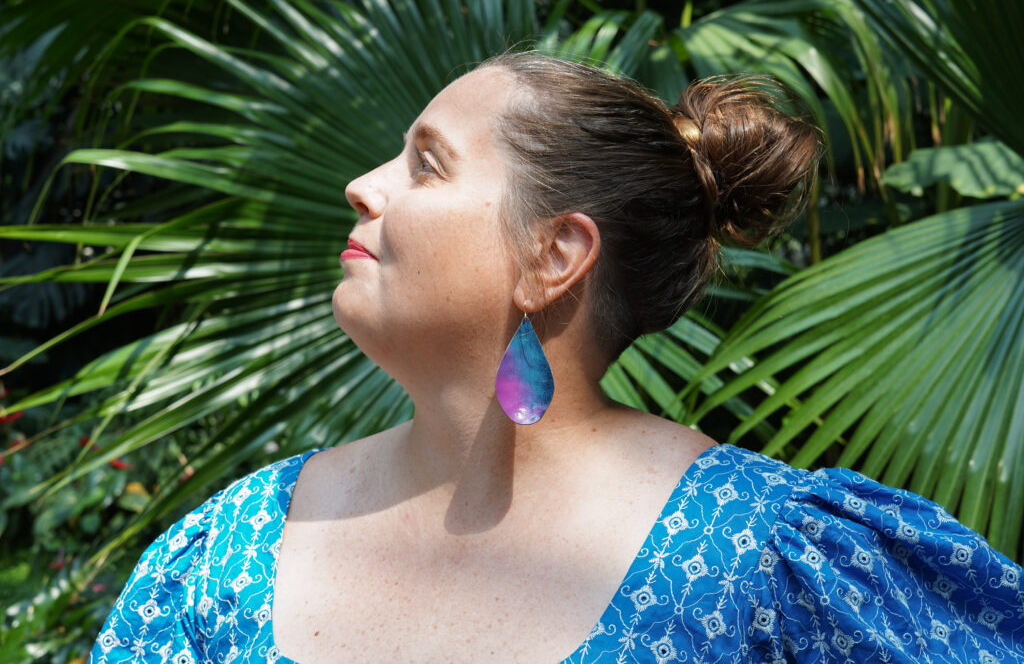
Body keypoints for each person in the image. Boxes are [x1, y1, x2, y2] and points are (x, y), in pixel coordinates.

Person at [90, 52, 1024, 663]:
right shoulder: (223, 555)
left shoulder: (780, 565)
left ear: (553, 256)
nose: (361, 185)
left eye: (426, 163)